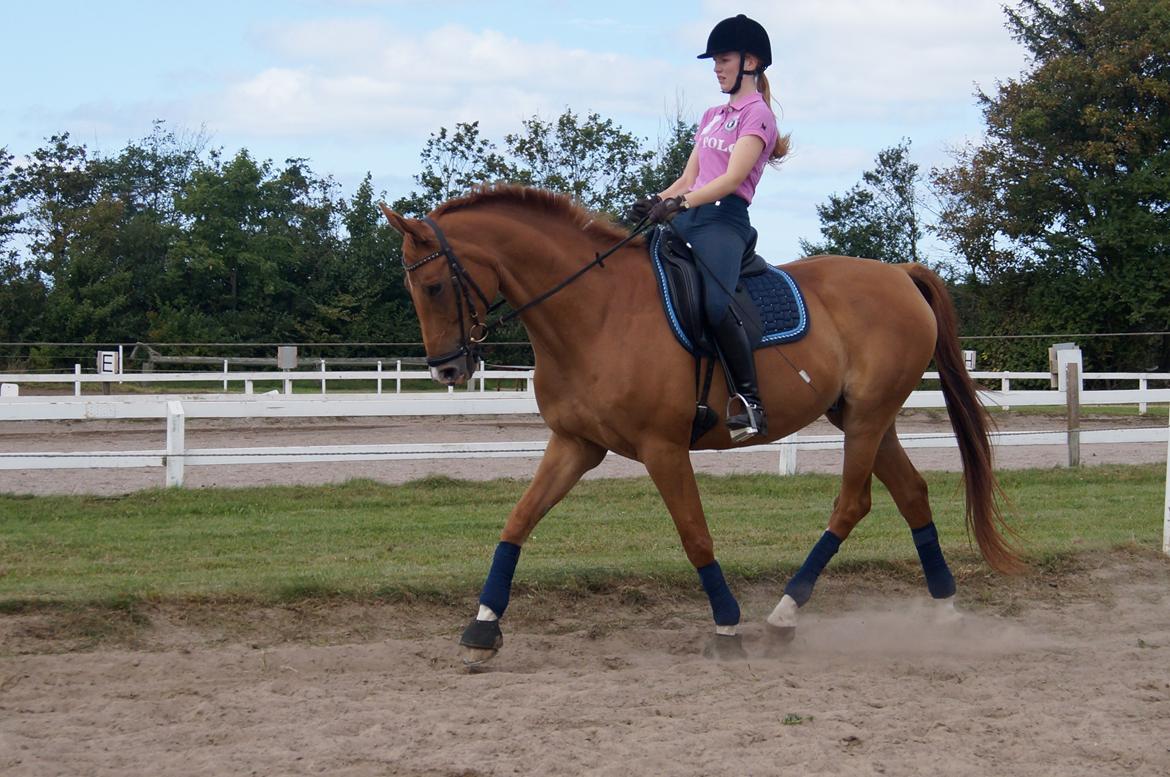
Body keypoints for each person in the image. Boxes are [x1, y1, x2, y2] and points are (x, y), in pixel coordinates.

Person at [628, 13, 790, 441]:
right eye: (714, 61)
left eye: (723, 59)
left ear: (750, 62)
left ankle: (750, 402)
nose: (716, 68)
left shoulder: (758, 117)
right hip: (690, 215)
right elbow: (688, 178)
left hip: (724, 222)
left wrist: (679, 203)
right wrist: (656, 202)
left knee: (715, 304)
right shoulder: (712, 115)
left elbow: (730, 179)